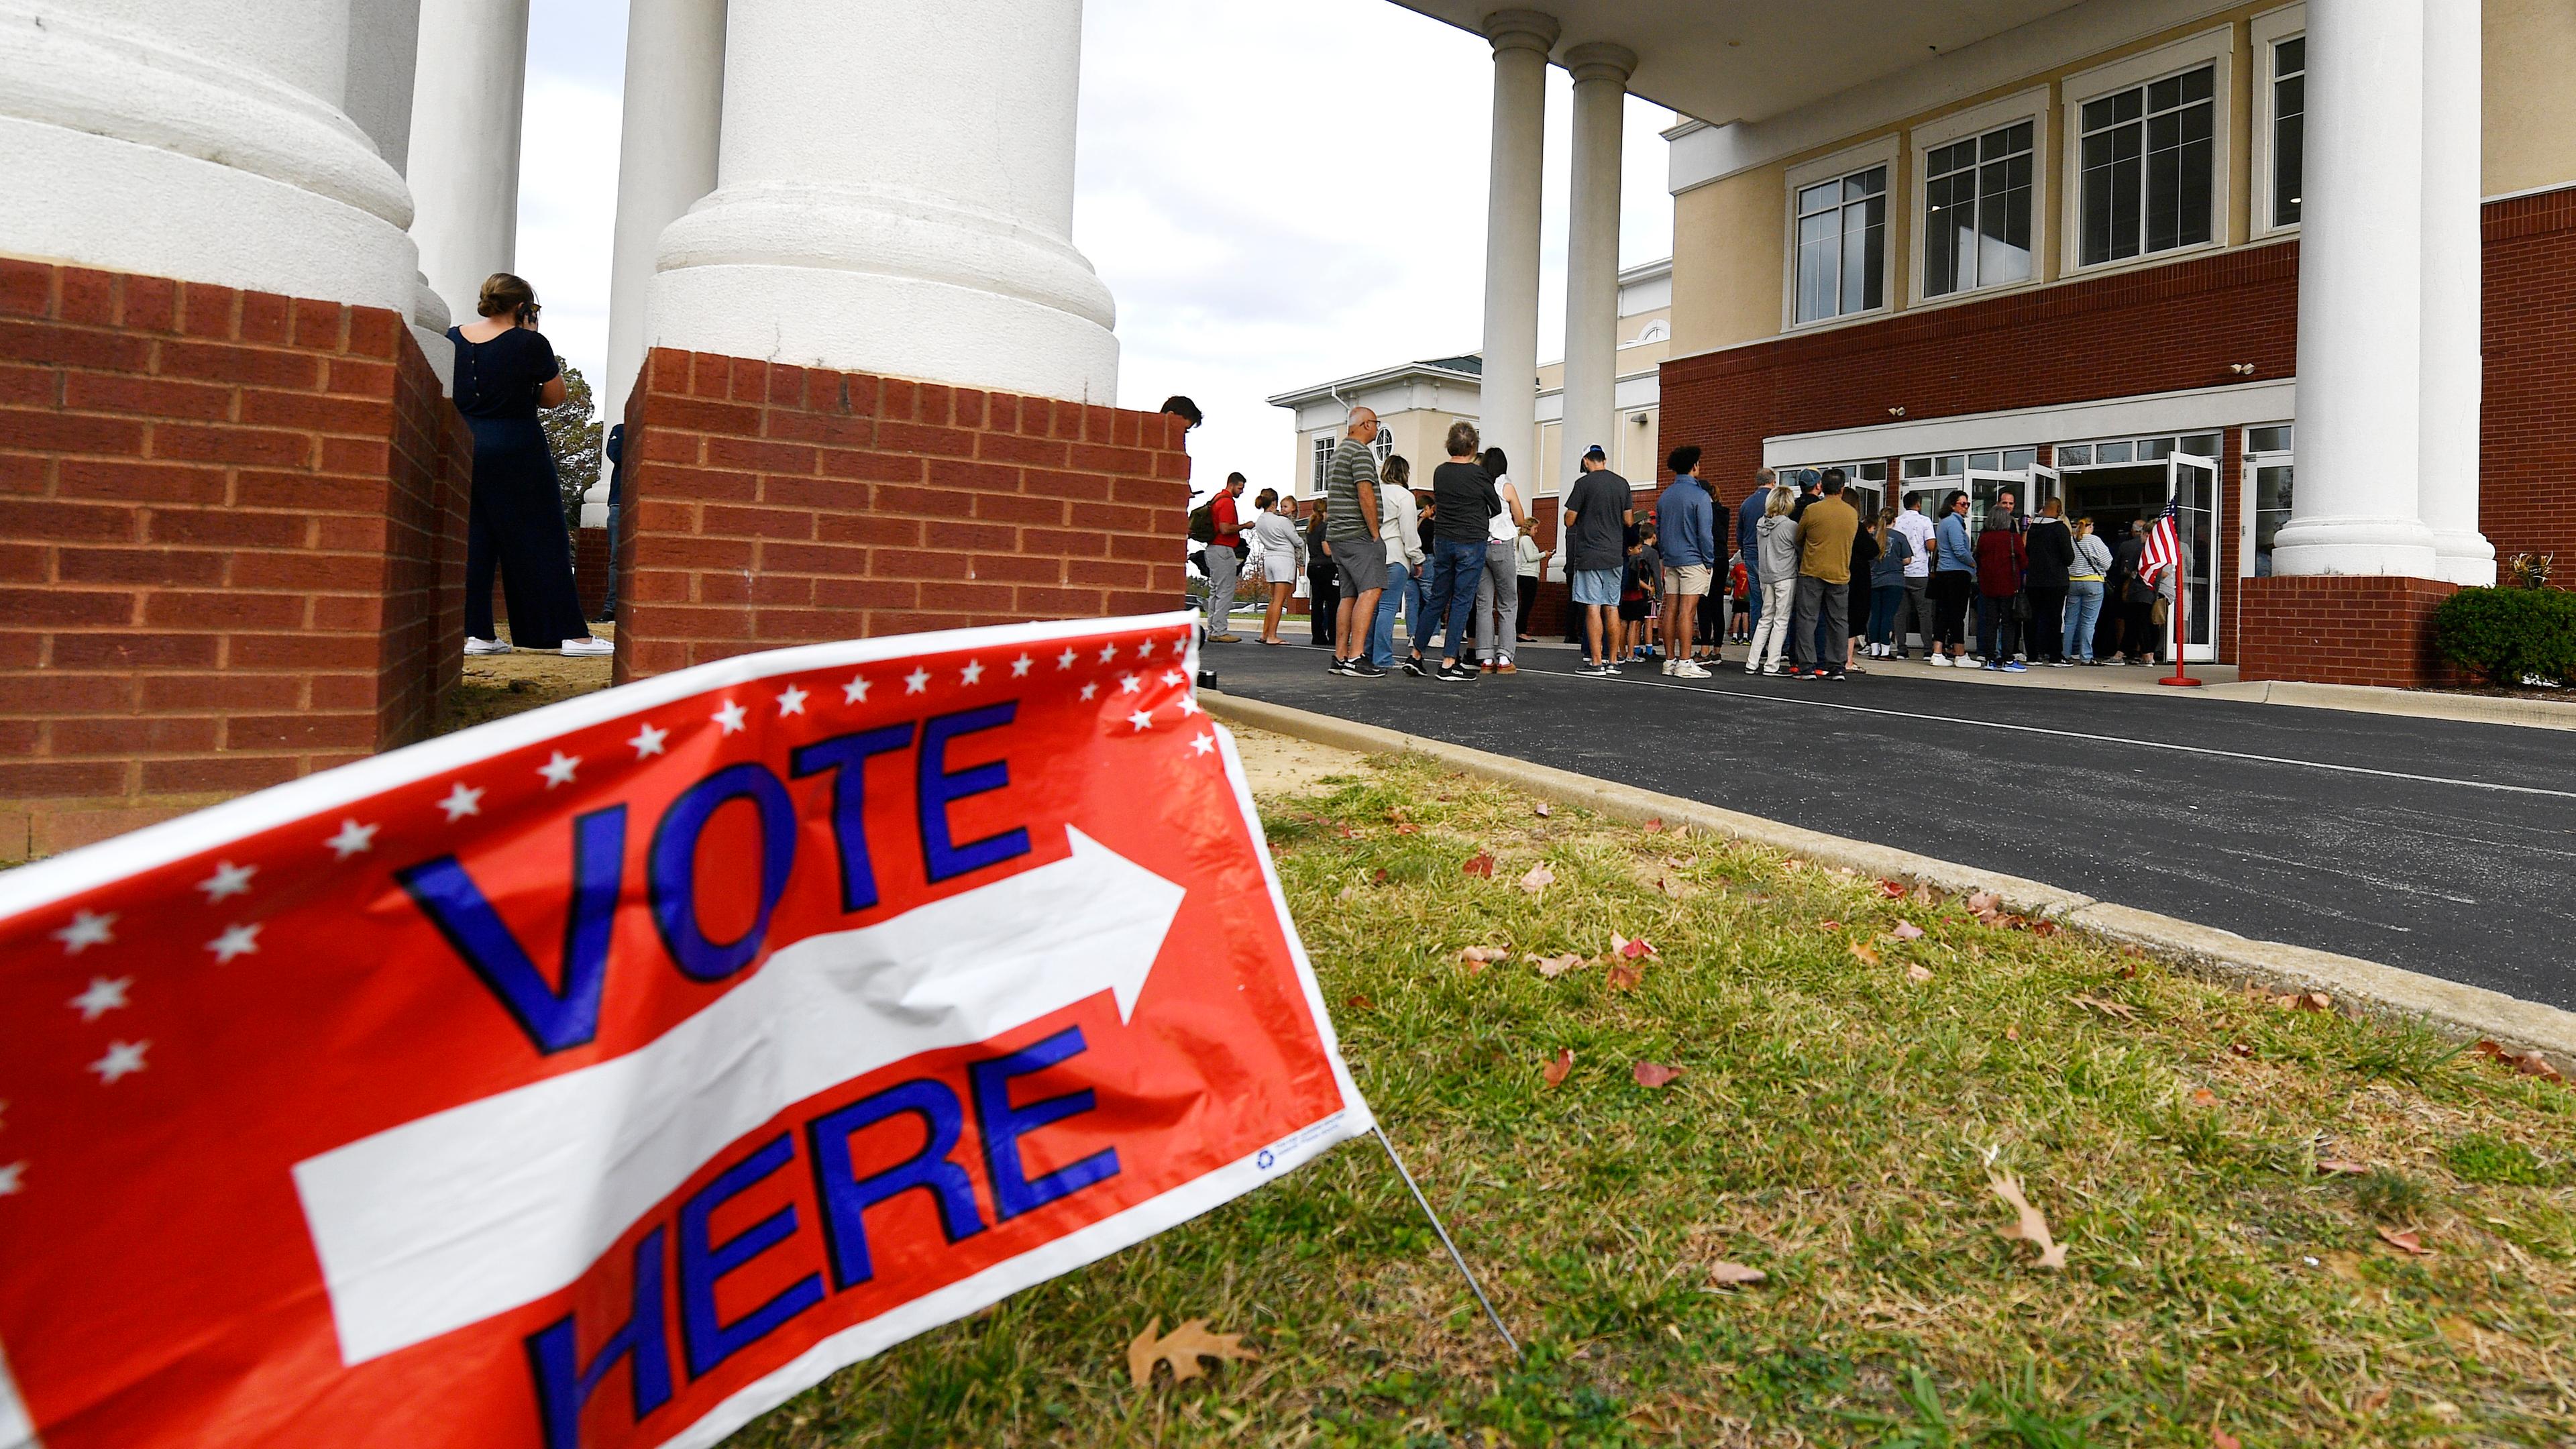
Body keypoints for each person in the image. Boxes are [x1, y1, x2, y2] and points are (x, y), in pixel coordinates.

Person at [451, 274, 608, 658]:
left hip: (465, 445)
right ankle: (572, 636)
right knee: (543, 537)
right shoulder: (529, 343)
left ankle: (477, 634)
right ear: (523, 308)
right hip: (516, 447)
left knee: (477, 540)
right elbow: (556, 397)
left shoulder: (451, 337)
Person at [1419, 425, 1501, 682]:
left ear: (1450, 444)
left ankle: (1416, 654)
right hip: (1471, 541)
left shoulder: (1440, 472)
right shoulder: (1479, 475)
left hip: (1443, 539)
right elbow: (1496, 507)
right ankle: (1449, 662)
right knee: (1462, 602)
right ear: (1473, 447)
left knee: (1437, 598)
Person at [1322, 407, 1387, 676]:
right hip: (1358, 535)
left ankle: (1340, 656)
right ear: (1364, 425)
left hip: (1339, 535)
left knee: (1348, 595)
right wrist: (1375, 533)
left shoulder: (1338, 453)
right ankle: (1356, 657)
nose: (1376, 428)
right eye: (1375, 423)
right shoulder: (1360, 452)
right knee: (1371, 590)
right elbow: (1365, 492)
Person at [1561, 443, 1633, 676]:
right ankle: (1613, 661)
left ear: (1585, 462)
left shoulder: (1583, 484)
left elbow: (1569, 519)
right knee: (1612, 606)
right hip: (1614, 554)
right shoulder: (1622, 483)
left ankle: (1595, 662)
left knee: (1592, 606)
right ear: (1604, 459)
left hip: (1589, 554)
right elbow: (1629, 520)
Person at [1654, 445, 1717, 678]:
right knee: (1688, 612)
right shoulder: (1701, 495)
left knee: (1670, 609)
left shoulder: (1665, 495)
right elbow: (1705, 533)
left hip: (1671, 559)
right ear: (1694, 466)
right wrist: (1709, 561)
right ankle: (1685, 661)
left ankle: (1670, 660)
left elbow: (1659, 530)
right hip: (1694, 559)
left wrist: (1664, 557)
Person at [1790, 472, 1858, 680]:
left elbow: (1799, 538)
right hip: (1840, 571)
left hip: (1812, 570)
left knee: (1807, 619)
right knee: (1838, 620)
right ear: (1842, 489)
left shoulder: (1812, 510)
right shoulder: (1851, 513)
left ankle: (1807, 665)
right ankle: (1837, 665)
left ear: (1822, 486)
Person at [1471, 444, 1531, 674]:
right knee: (1508, 602)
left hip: (1480, 544)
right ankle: (1505, 657)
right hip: (1502, 544)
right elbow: (1520, 518)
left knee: (1484, 604)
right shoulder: (1506, 487)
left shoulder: (1478, 485)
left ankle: (1485, 657)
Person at [1369, 458, 1424, 669]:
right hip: (1396, 555)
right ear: (1405, 473)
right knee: (1388, 607)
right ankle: (1383, 657)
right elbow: (1408, 532)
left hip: (1374, 555)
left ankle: (1365, 652)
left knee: (1372, 608)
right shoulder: (1405, 496)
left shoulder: (1374, 493)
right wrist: (1418, 558)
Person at [1744, 486, 1800, 676]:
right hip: (1785, 576)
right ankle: (1772, 665)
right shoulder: (1790, 526)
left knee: (1765, 618)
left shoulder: (1761, 523)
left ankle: (1752, 662)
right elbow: (1800, 548)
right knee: (1781, 620)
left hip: (1765, 575)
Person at [1974, 494, 2029, 672]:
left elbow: (1978, 558)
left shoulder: (1984, 539)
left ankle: (1990, 659)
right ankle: (2008, 660)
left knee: (1990, 623)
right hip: (2009, 586)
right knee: (2008, 623)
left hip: (1987, 586)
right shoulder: (2012, 538)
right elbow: (2024, 562)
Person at [2023, 498, 2076, 667]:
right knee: (2054, 619)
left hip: (2034, 579)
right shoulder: (2060, 528)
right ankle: (2055, 655)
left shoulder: (2033, 529)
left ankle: (2032, 654)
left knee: (2032, 618)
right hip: (2055, 580)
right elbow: (2069, 558)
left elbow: (2028, 552)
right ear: (2058, 510)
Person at [1928, 490, 1976, 666]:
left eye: (1967, 504)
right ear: (1952, 505)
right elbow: (1959, 550)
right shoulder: (1954, 523)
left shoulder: (1943, 523)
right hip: (1957, 574)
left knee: (1944, 613)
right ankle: (1960, 654)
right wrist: (1973, 563)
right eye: (1962, 504)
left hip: (1944, 572)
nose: (1966, 507)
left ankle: (1938, 652)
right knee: (1957, 614)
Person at [1201, 471, 1247, 643]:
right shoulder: (1227, 502)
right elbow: (1225, 528)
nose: (1241, 492)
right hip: (1223, 549)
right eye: (1240, 488)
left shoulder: (1216, 499)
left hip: (1212, 548)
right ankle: (1220, 631)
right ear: (1233, 485)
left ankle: (1213, 629)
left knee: (1215, 590)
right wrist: (1244, 526)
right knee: (1225, 590)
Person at [1251, 488, 1301, 645]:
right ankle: (1273, 635)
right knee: (1280, 600)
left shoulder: (1260, 521)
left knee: (1273, 600)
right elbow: (1297, 540)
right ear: (1274, 502)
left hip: (1269, 557)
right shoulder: (1283, 522)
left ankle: (1265, 633)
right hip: (1283, 558)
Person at [1888, 494, 1934, 657]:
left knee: (1900, 613)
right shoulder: (1925, 521)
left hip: (1901, 572)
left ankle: (1902, 649)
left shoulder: (1897, 521)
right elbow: (1930, 545)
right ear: (1919, 505)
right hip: (1920, 571)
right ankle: (1928, 650)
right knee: (1924, 612)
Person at [2064, 515, 2112, 665]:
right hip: (2093, 582)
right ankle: (2086, 656)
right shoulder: (2094, 540)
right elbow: (2108, 563)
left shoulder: (2070, 540)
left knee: (2070, 621)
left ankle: (2065, 654)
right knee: (2088, 622)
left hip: (2073, 582)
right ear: (2090, 527)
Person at [1735, 468, 1776, 639]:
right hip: (1770, 555)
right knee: (1775, 600)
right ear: (1773, 482)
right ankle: (1777, 642)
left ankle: (1756, 639)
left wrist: (1745, 552)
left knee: (1756, 600)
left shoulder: (1746, 503)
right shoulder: (1773, 503)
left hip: (1751, 555)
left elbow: (1739, 533)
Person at [1866, 506, 1911, 659]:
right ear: (1894, 520)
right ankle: (1885, 650)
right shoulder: (1900, 537)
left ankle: (1874, 649)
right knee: (1888, 615)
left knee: (1875, 615)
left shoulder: (1873, 537)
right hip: (1894, 580)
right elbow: (1907, 559)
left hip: (1874, 580)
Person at [1845, 499, 1880, 672]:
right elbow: (1873, 550)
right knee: (1852, 617)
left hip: (1831, 572)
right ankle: (1848, 659)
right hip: (1855, 575)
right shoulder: (1854, 526)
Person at [2112, 519, 2152, 665]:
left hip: (2138, 591)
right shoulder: (2158, 552)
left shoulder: (2140, 550)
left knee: (2137, 624)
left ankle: (2146, 656)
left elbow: (2128, 570)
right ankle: (2122, 654)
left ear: (2146, 534)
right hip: (2150, 591)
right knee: (2137, 624)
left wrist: (2128, 572)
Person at [596, 423, 625, 623]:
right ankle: (612, 608)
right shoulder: (621, 430)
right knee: (617, 558)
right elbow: (616, 455)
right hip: (619, 503)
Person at [1619, 524, 1660, 663]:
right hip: (1635, 595)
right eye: (1639, 548)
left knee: (1623, 623)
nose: (1641, 550)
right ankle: (1631, 653)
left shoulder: (1625, 560)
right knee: (1634, 624)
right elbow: (1638, 579)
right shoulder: (1637, 560)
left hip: (1624, 595)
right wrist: (1651, 590)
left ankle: (1623, 652)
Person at [1304, 499, 1337, 647]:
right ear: (1325, 511)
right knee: (1333, 602)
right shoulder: (1324, 527)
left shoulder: (1310, 528)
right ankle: (1333, 635)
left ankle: (1317, 635)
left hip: (1313, 566)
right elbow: (1327, 550)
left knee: (1317, 602)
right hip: (1326, 568)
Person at [1513, 515, 1545, 644]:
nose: (1536, 531)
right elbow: (1530, 557)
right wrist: (1545, 554)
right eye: (1535, 528)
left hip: (1527, 575)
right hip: (1528, 576)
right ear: (1529, 528)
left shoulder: (1524, 540)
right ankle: (1521, 632)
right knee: (1526, 605)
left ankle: (1520, 631)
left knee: (1525, 605)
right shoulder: (1526, 539)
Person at [1726, 549, 1752, 643]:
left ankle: (1735, 637)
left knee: (1737, 615)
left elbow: (1729, 580)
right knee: (1746, 616)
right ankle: (1745, 637)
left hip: (1738, 594)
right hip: (1747, 595)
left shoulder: (1737, 567)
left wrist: (1734, 583)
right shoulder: (1750, 568)